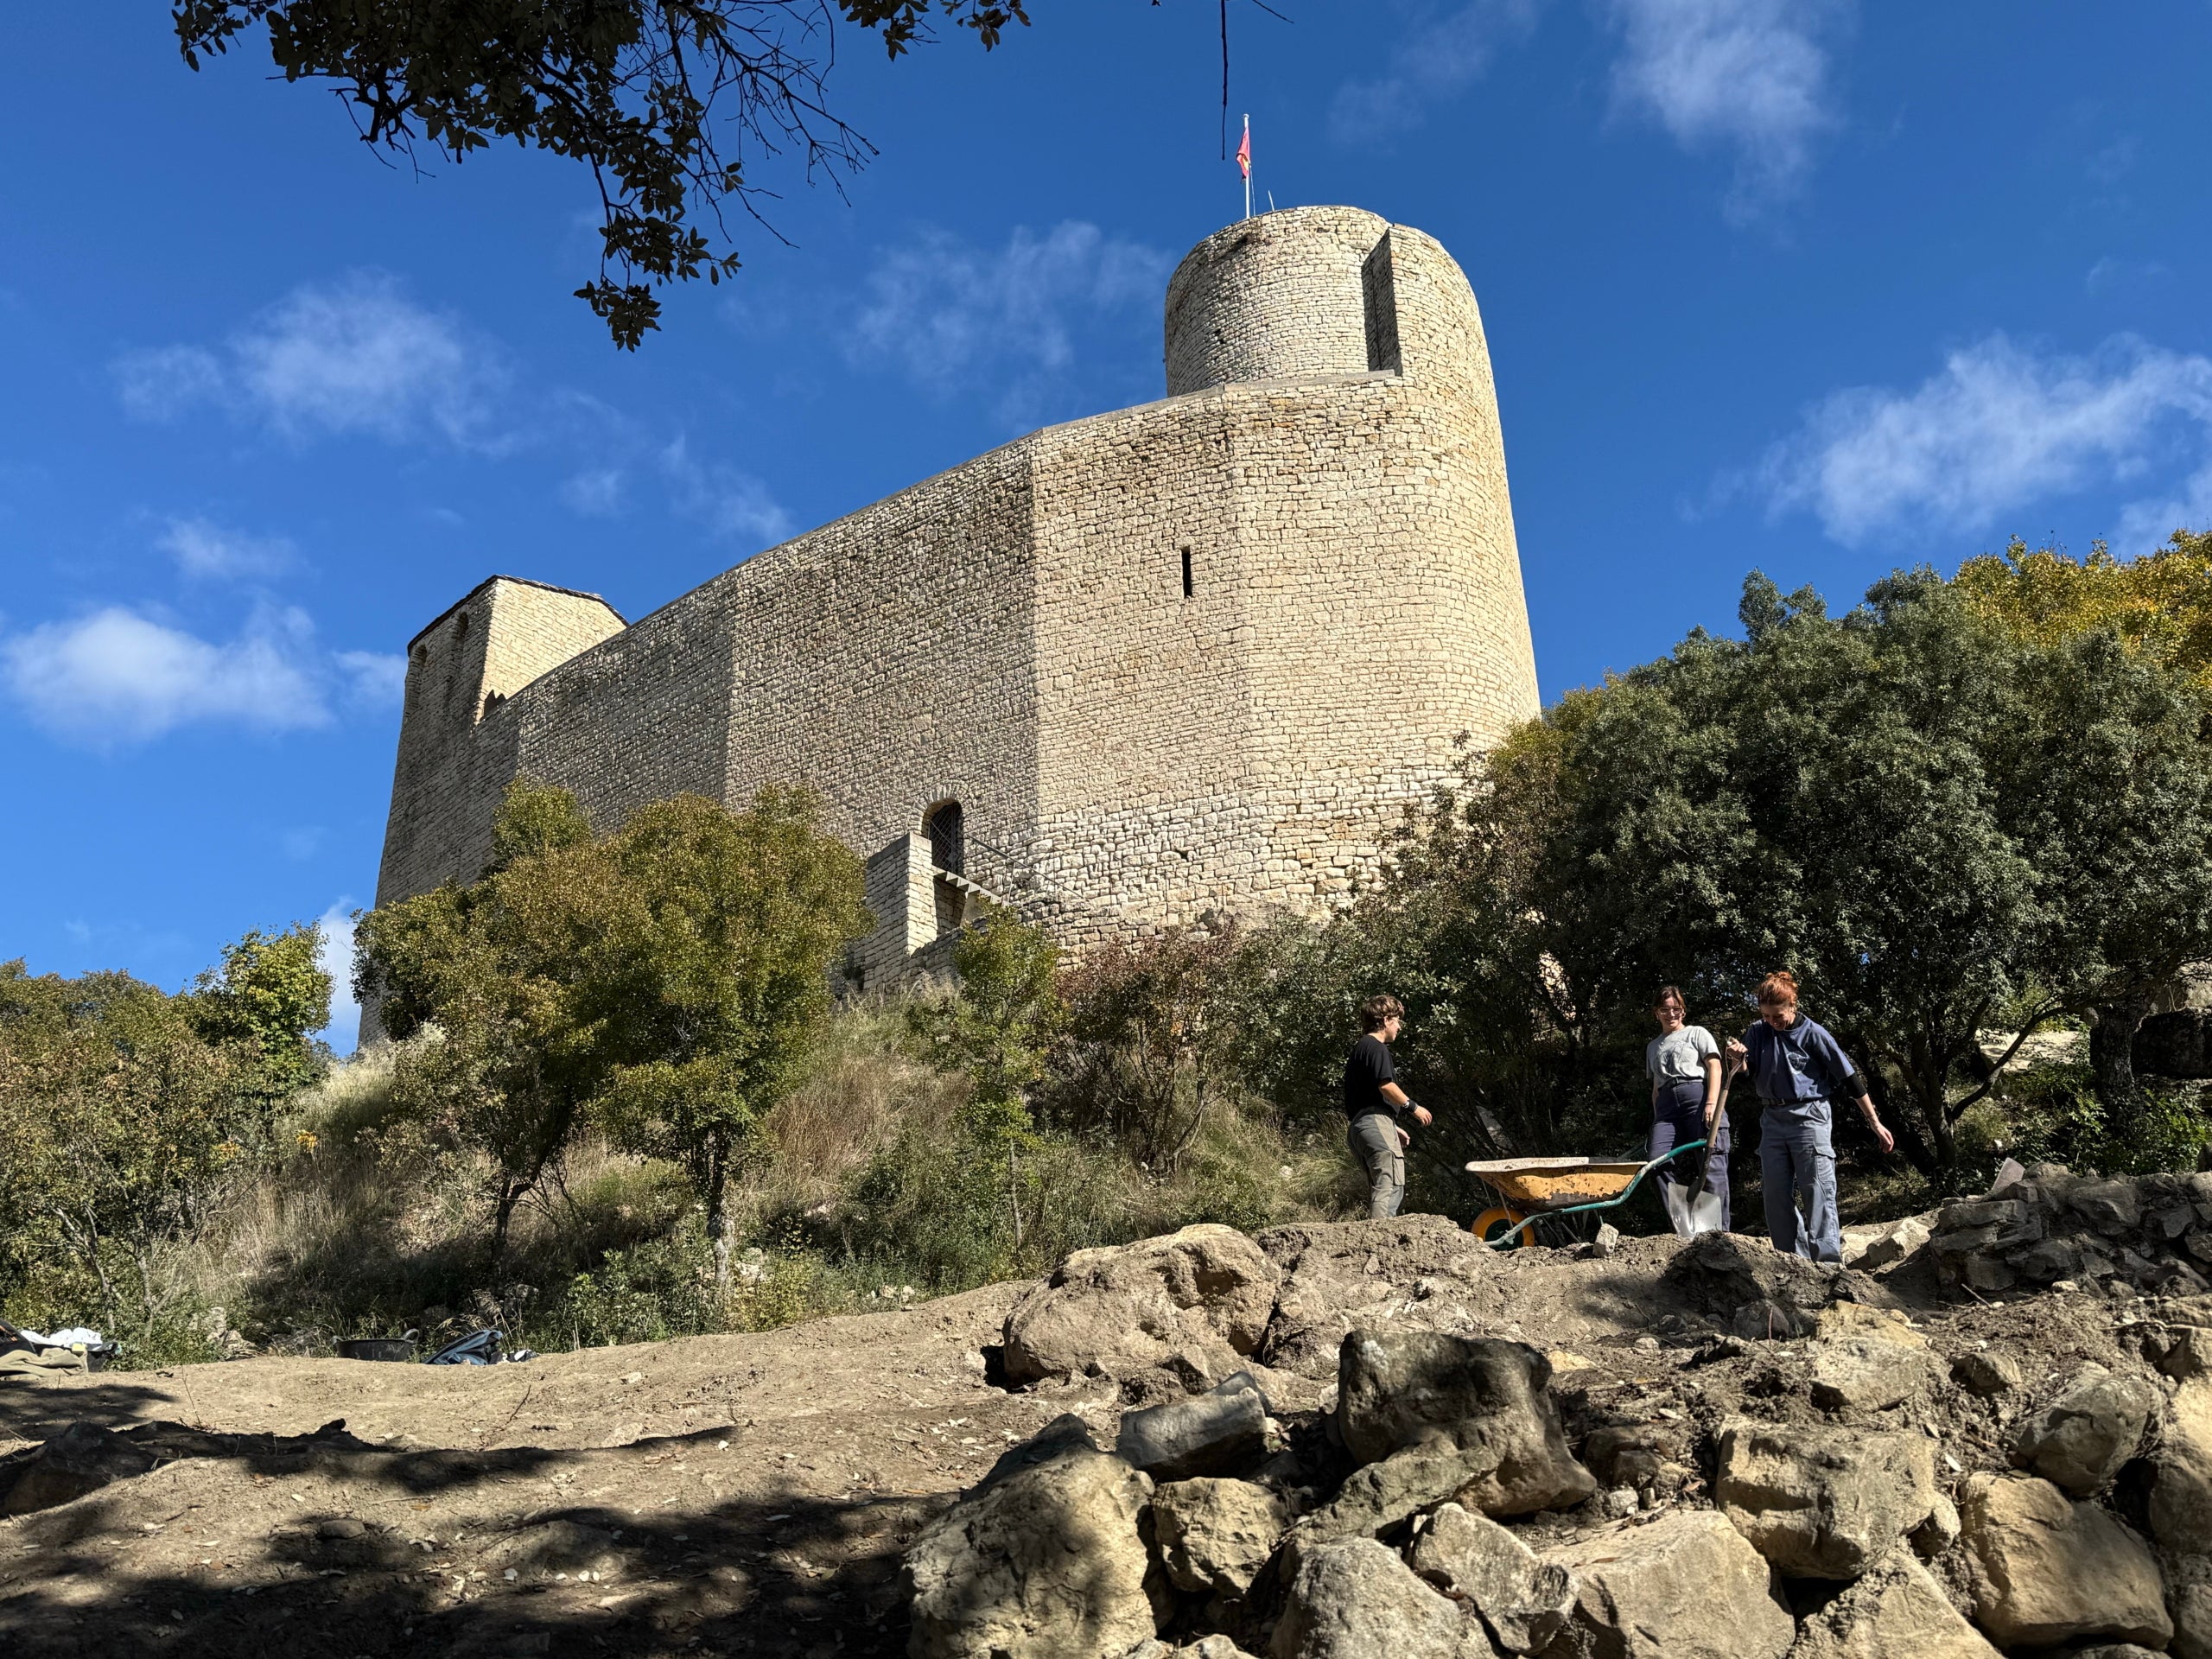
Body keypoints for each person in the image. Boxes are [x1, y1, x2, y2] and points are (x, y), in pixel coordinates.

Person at [1726, 970, 1895, 1262]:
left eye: (1778, 1016)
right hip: (1772, 1117)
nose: (1772, 1022)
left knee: (1816, 1190)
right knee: (1775, 1194)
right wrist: (1737, 1059)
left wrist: (1875, 1122)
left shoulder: (1814, 1034)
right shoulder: (1758, 1031)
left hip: (1809, 1116)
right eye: (1766, 1016)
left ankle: (1828, 1264)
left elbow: (1850, 1079)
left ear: (1793, 1005)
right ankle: (1793, 1261)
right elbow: (1747, 1073)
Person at [1646, 985, 1732, 1231]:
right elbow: (1656, 1087)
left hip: (1697, 1096)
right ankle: (1684, 1227)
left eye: (1676, 1009)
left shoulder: (1696, 1033)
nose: (1671, 1014)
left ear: (1683, 1010)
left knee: (1710, 1162)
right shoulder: (1653, 1046)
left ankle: (1719, 1232)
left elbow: (1715, 1067)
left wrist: (1711, 1103)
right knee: (1656, 1161)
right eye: (1665, 1009)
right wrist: (1657, 1120)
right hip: (1667, 1107)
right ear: (1657, 1013)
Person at [1344, 995, 1432, 1220]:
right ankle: (1380, 1237)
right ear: (1385, 1020)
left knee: (1381, 1186)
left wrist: (1391, 1126)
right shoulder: (1377, 1048)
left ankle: (1376, 1235)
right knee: (1390, 1186)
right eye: (1397, 1020)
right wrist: (1413, 1107)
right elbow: (1386, 1086)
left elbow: (1365, 1098)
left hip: (1360, 1127)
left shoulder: (1360, 1048)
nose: (1399, 1027)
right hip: (1374, 1123)